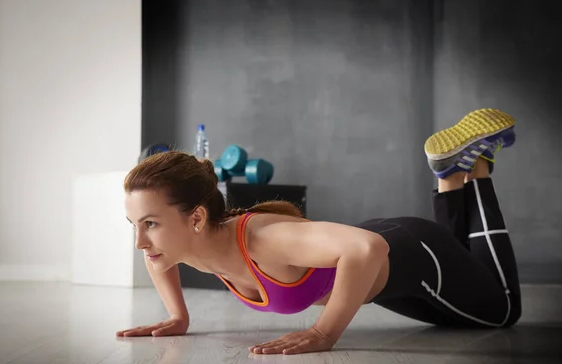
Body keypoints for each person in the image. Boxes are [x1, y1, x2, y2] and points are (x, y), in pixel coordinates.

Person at [116, 108, 522, 355]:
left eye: (150, 224)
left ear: (197, 218)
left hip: (411, 255)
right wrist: (177, 315)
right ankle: (451, 176)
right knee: (457, 304)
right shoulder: (185, 242)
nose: (140, 242)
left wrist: (323, 332)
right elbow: (157, 257)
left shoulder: (263, 239)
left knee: (502, 312)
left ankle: (478, 169)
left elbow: (367, 248)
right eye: (135, 225)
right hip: (395, 274)